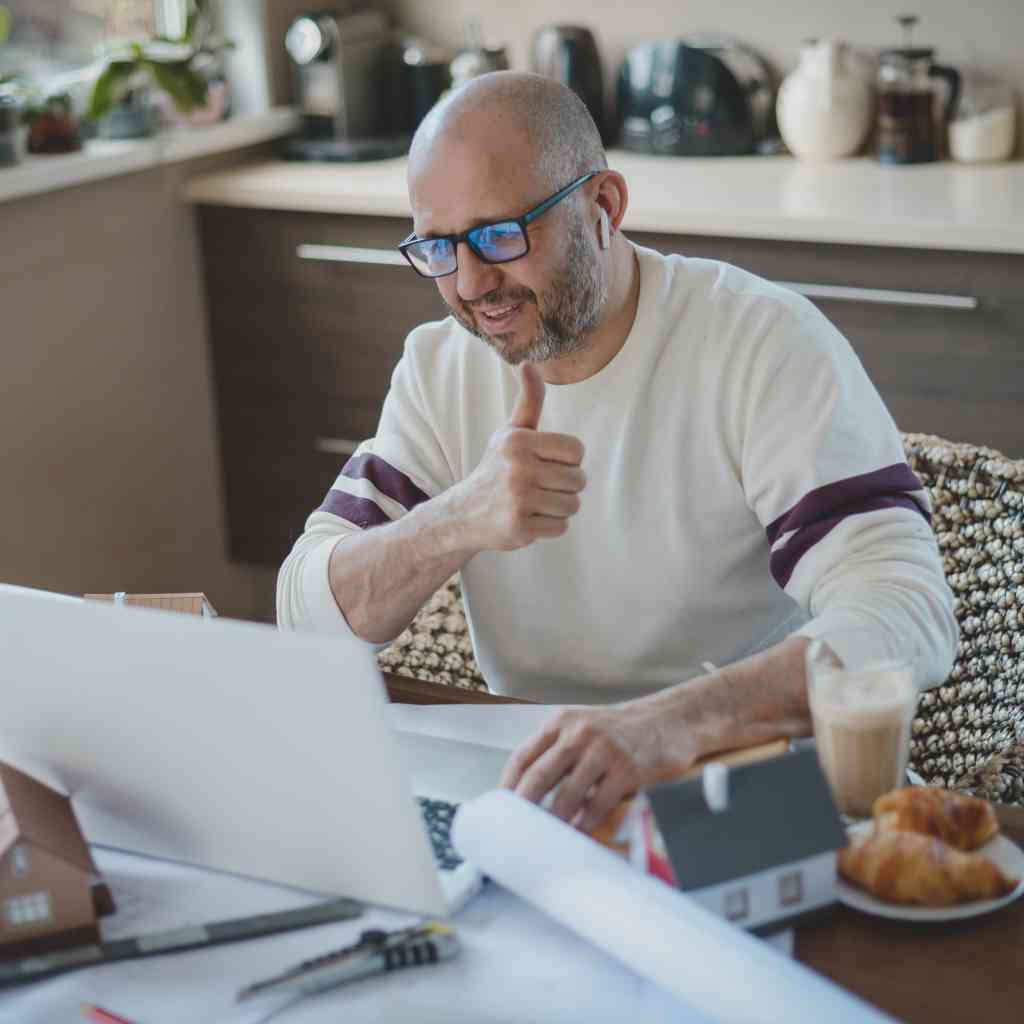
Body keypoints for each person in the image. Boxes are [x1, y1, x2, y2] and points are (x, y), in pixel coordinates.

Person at [277, 72, 956, 832]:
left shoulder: (760, 342)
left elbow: (909, 614)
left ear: (604, 207)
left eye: (501, 235)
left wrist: (669, 723)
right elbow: (306, 616)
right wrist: (455, 518)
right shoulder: (442, 368)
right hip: (542, 789)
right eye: (438, 247)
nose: (471, 284)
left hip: (738, 775)